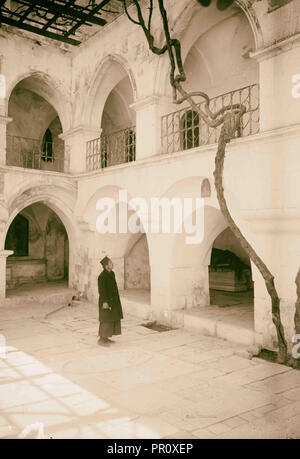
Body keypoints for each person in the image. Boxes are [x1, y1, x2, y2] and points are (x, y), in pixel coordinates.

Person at [97, 256, 123, 347]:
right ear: (106, 266)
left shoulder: (112, 273)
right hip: (106, 301)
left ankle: (106, 337)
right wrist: (105, 302)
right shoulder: (102, 276)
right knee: (105, 319)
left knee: (112, 318)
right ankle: (101, 339)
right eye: (111, 263)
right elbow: (102, 291)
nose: (112, 264)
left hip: (114, 301)